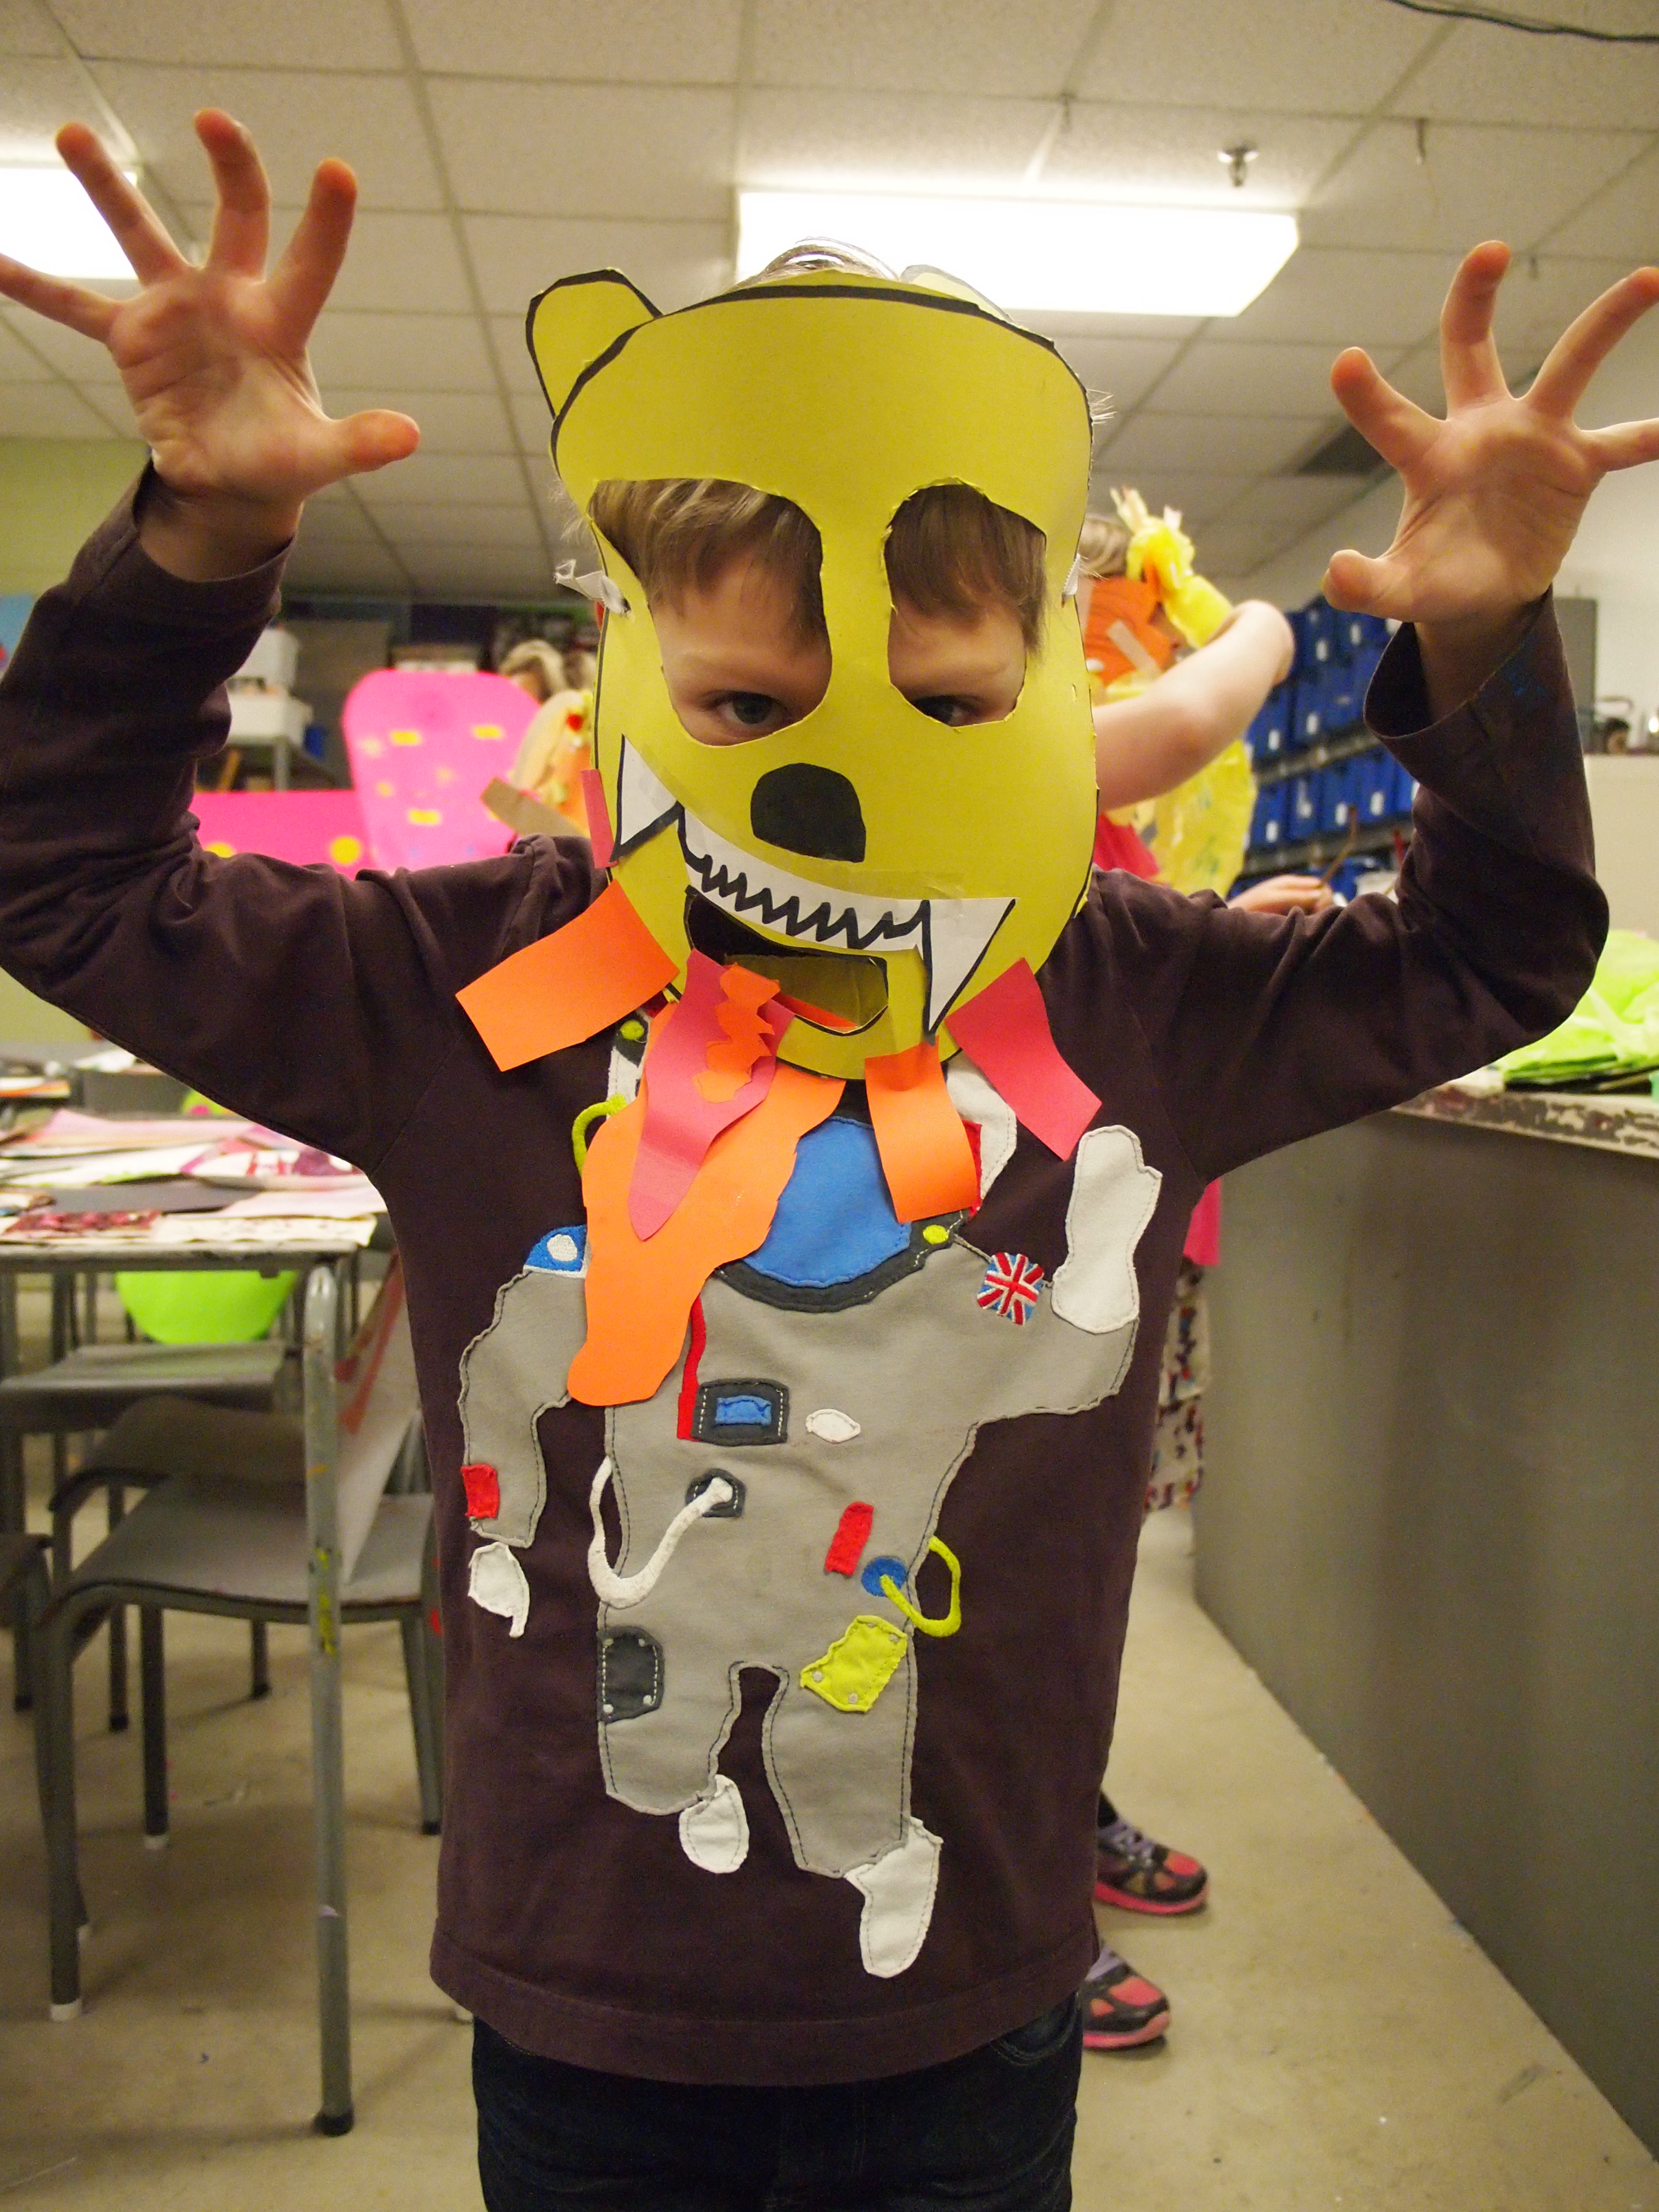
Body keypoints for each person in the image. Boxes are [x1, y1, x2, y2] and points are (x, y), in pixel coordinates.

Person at [0, 109, 1648, 2212]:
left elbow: (1497, 954)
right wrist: (197, 548)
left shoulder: (1127, 998)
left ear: (1047, 690)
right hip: (589, 1997)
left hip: (963, 1991)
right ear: (635, 683)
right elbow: (63, 882)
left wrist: (1494, 647)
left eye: (950, 714)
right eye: (749, 709)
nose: (842, 798)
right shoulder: (462, 991)